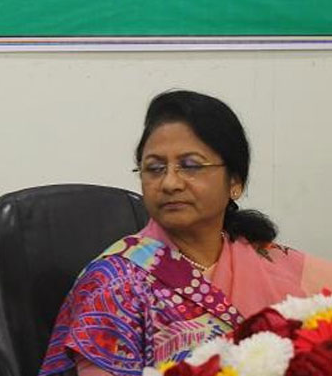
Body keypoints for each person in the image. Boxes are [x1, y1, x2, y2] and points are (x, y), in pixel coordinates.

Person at [38, 90, 332, 376]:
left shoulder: (267, 259)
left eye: (190, 166)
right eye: (155, 168)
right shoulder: (114, 285)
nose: (170, 183)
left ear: (235, 182)